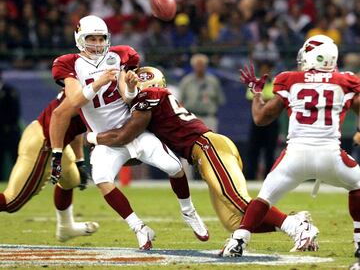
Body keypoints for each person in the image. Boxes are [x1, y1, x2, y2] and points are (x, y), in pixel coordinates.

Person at [86, 66, 319, 254]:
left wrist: (92, 137)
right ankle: (292, 221)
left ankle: (297, 228)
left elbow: (126, 134)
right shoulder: (157, 99)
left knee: (237, 199)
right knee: (233, 221)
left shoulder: (150, 96)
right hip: (206, 151)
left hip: (207, 147)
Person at [51, 15, 208, 250]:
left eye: (100, 38)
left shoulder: (119, 56)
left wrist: (133, 85)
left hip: (133, 129)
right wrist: (98, 82)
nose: (96, 43)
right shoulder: (69, 63)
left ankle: (189, 211)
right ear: (79, 39)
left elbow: (128, 97)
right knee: (103, 179)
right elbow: (74, 100)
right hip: (105, 140)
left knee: (174, 167)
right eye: (90, 38)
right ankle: (139, 228)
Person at [221, 34, 360, 258]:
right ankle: (359, 241)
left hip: (294, 157)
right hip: (331, 156)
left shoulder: (290, 79)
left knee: (264, 198)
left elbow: (261, 118)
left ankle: (238, 241)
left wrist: (257, 93)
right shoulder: (346, 81)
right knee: (357, 184)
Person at [0, 90, 98, 242]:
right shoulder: (96, 87)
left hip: (56, 140)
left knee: (72, 180)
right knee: (11, 202)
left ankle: (66, 227)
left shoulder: (88, 85)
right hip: (45, 142)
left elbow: (76, 124)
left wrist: (79, 160)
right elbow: (61, 116)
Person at [179, 53, 225, 133]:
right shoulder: (186, 81)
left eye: (202, 65)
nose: (200, 67)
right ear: (193, 66)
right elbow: (180, 101)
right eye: (197, 65)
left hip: (209, 117)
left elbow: (220, 100)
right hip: (191, 117)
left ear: (206, 66)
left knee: (210, 142)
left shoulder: (213, 81)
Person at [0, 72, 21, 180]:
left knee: (16, 158)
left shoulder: (10, 91)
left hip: (11, 131)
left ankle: (19, 180)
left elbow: (15, 112)